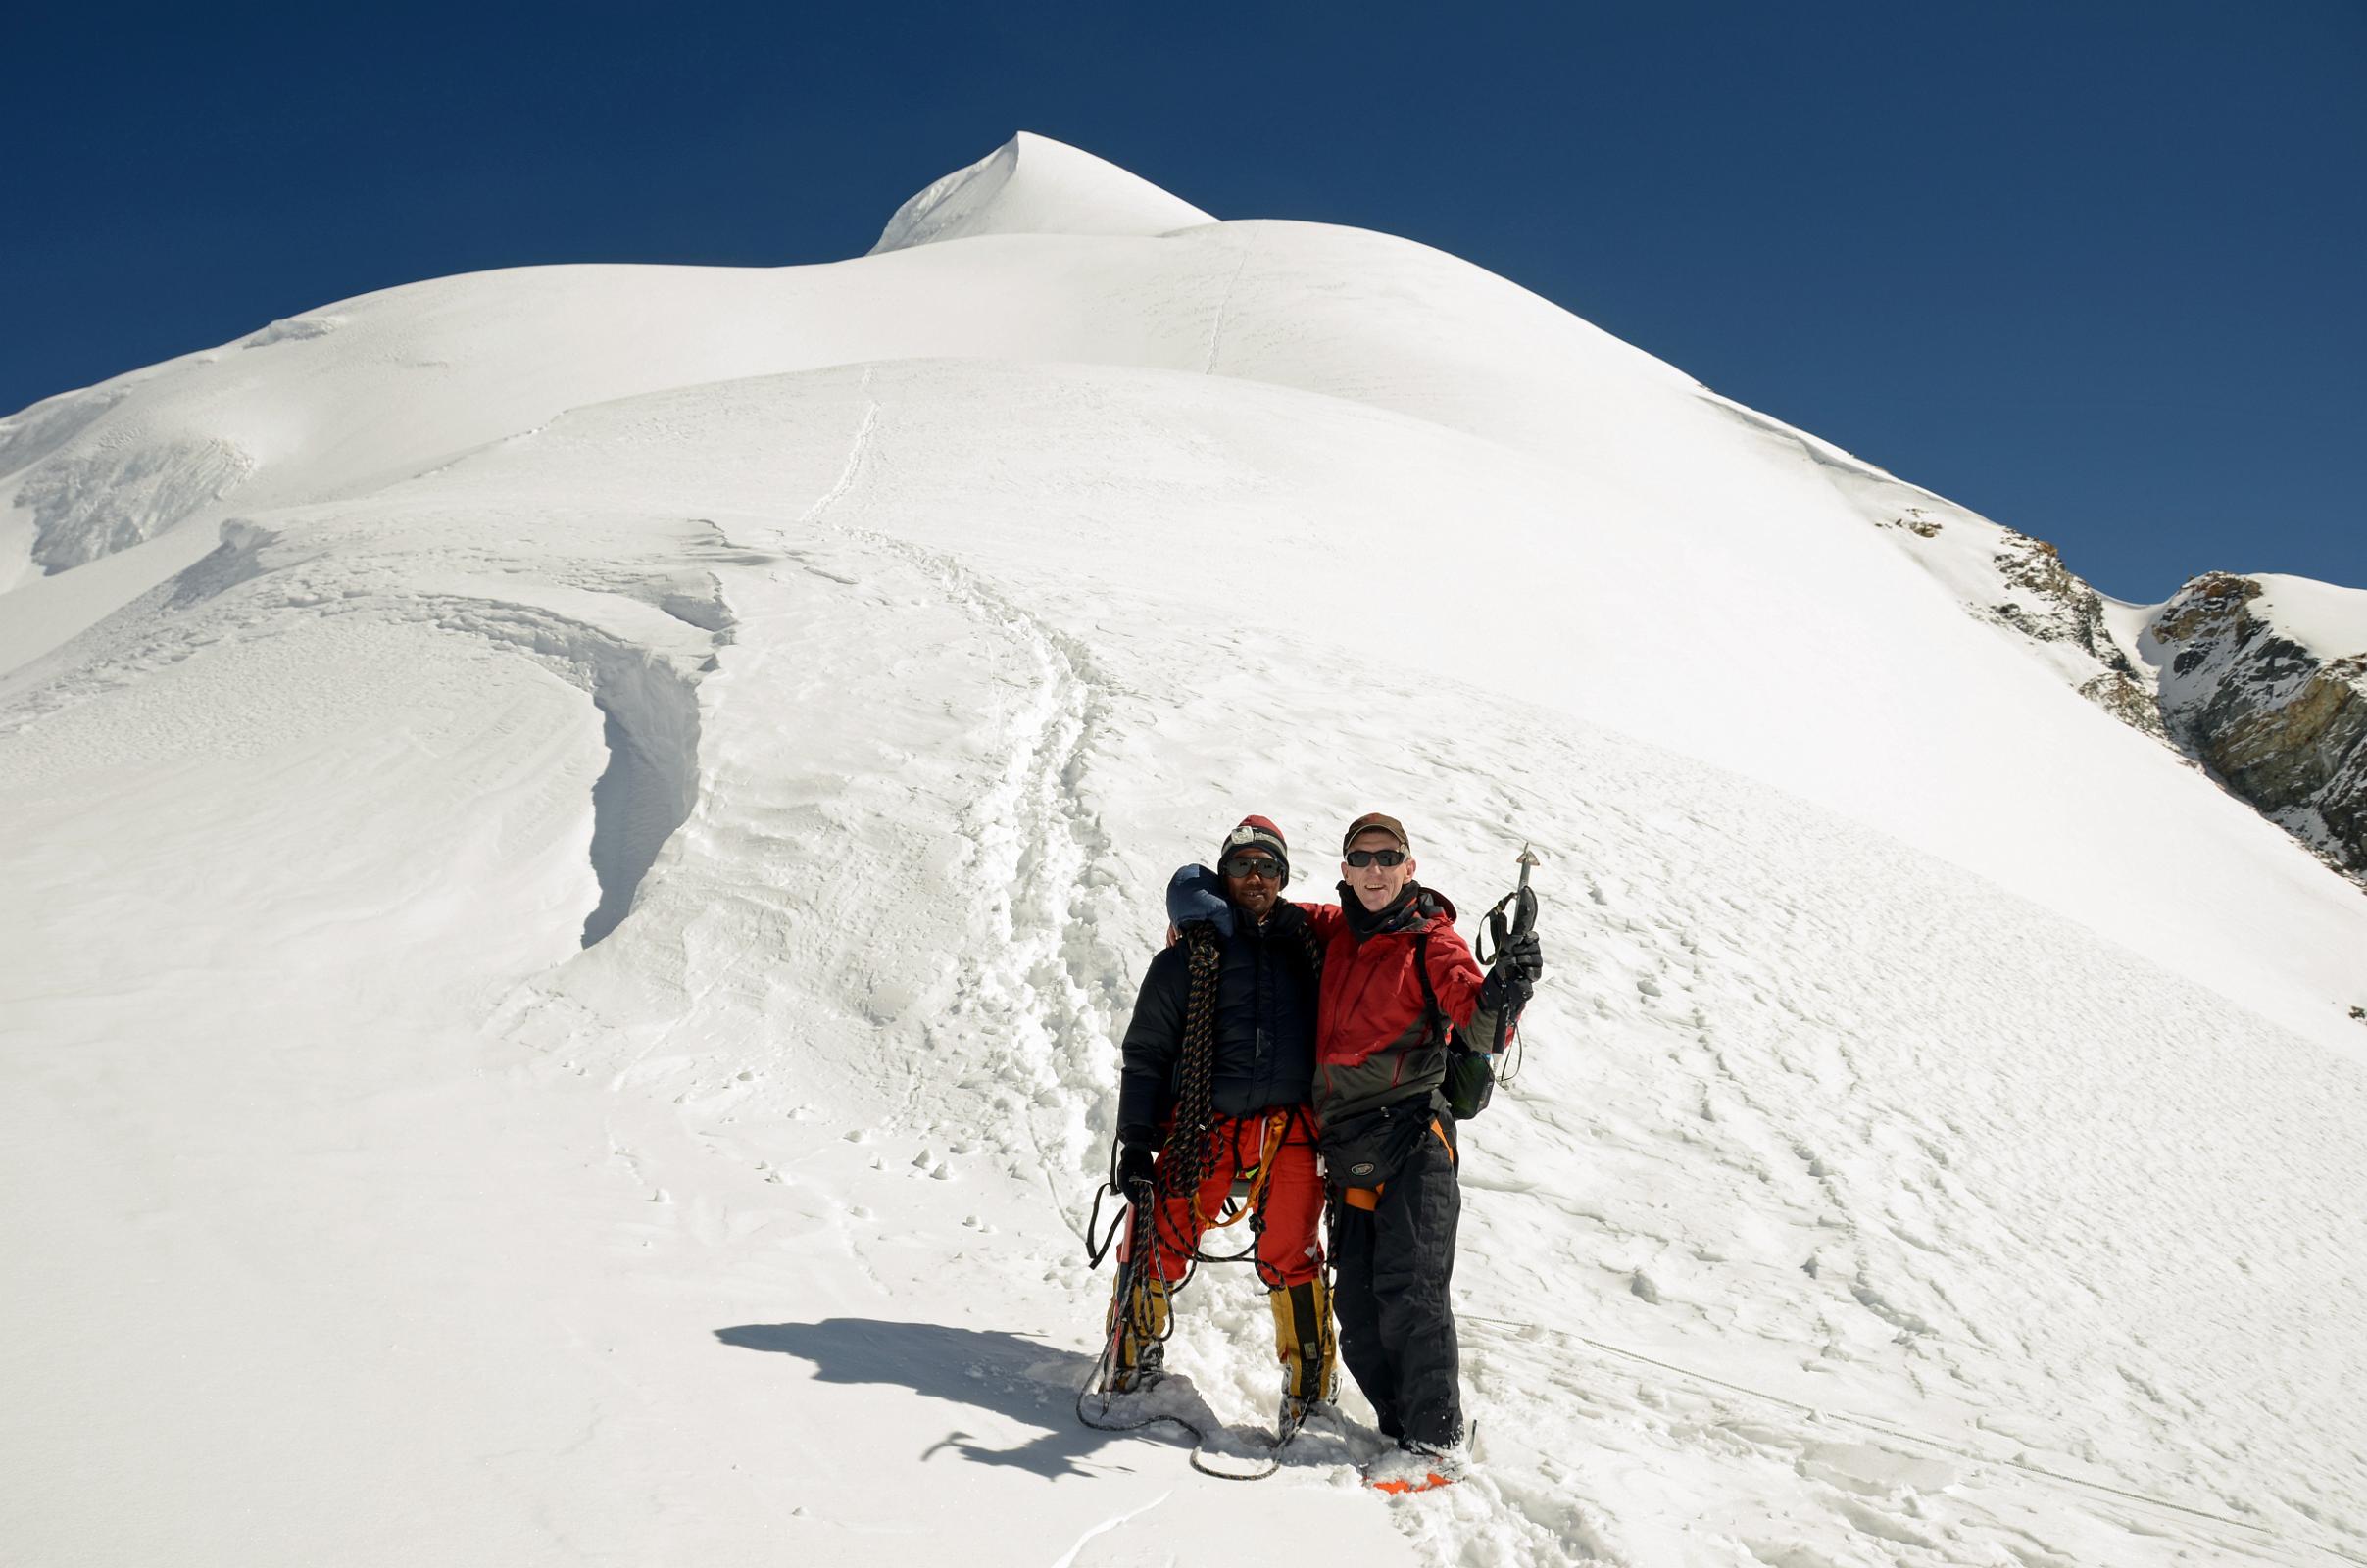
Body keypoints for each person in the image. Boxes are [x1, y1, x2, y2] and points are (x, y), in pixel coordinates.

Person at [1310, 811, 1542, 1480]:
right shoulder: (1330, 929)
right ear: (1346, 869)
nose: (1375, 870)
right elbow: (1256, 908)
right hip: (1348, 1144)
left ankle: (1435, 1442)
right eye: (1362, 858)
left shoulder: (1430, 941)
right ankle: (1399, 1431)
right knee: (1355, 1301)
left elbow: (1476, 1020)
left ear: (1410, 868)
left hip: (1413, 1136)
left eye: (1389, 858)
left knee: (1411, 1291)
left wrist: (1509, 986)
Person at [1104, 816, 1336, 1431]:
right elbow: (1148, 1051)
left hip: (1288, 1127)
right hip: (1203, 1126)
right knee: (1162, 1233)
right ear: (1223, 873)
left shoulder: (1307, 952)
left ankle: (1309, 1385)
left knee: (1294, 1249)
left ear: (1283, 878)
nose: (1254, 877)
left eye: (1267, 867)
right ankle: (1130, 1356)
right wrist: (1135, 1141)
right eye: (1241, 866)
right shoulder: (1186, 957)